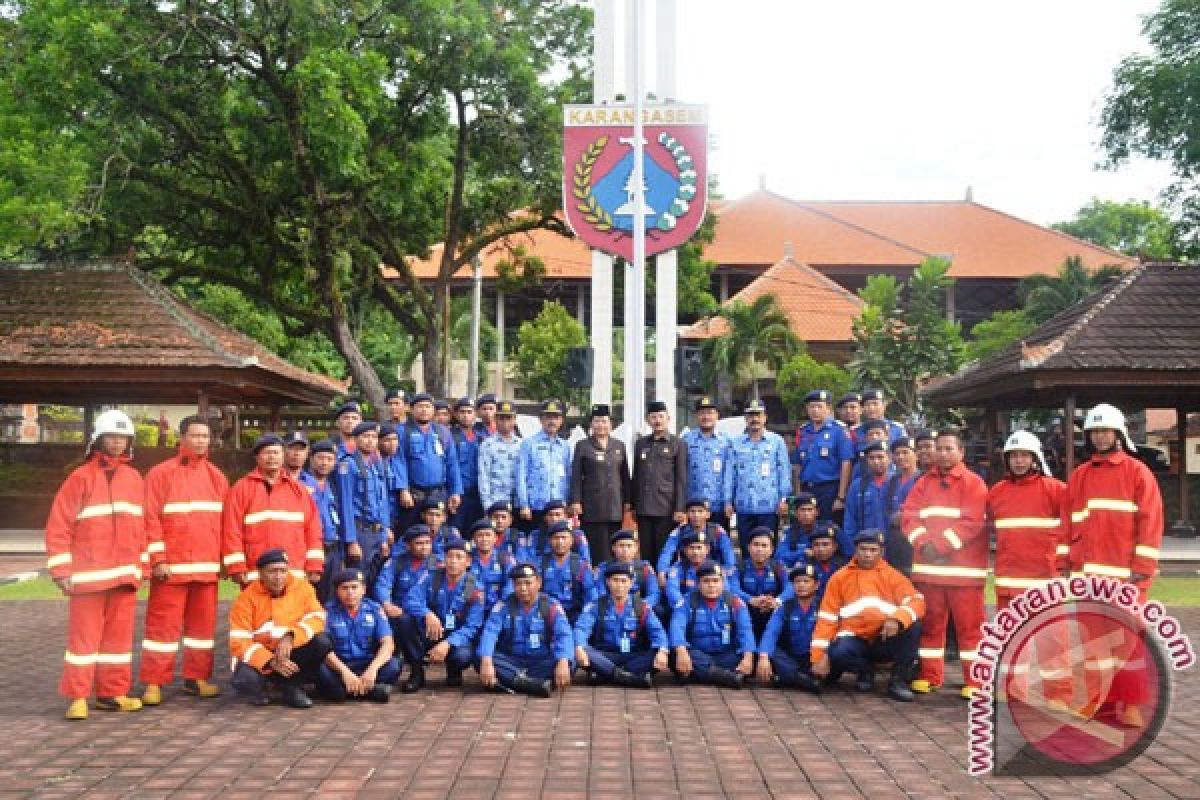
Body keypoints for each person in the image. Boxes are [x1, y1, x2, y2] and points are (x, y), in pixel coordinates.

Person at [1065, 404, 1165, 728]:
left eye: (1105, 430)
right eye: (1095, 431)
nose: (1100, 436)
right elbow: (1069, 523)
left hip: (1126, 576)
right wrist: (1065, 563)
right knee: (1091, 641)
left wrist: (1143, 566)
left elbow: (1151, 522)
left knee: (1129, 643)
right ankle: (1097, 702)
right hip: (1088, 576)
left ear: (1119, 433)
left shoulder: (1138, 472)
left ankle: (1131, 704)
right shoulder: (1079, 476)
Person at [46, 410, 146, 720]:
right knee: (83, 641)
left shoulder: (133, 478)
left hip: (124, 577)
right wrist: (61, 571)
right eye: (111, 437)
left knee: (117, 642)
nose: (117, 443)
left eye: (122, 438)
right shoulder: (80, 478)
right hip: (88, 578)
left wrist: (140, 566)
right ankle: (78, 696)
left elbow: (141, 527)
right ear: (99, 440)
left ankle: (112, 694)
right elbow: (58, 526)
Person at [139, 414, 229, 706]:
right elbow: (149, 519)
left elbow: (227, 523)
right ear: (182, 437)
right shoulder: (160, 474)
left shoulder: (217, 477)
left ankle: (197, 678)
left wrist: (225, 562)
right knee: (161, 630)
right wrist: (158, 559)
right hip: (171, 569)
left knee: (202, 631)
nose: (201, 441)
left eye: (205, 436)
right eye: (195, 435)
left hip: (206, 569)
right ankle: (154, 682)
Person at [901, 429, 988, 698]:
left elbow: (972, 521)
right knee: (931, 628)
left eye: (949, 448)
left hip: (964, 574)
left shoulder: (974, 483)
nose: (943, 453)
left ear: (961, 452)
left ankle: (975, 680)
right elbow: (909, 517)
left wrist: (937, 546)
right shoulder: (923, 483)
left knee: (970, 629)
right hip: (929, 573)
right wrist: (922, 542)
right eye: (940, 448)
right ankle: (930, 675)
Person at [809, 530, 924, 702]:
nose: (867, 554)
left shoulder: (894, 576)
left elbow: (917, 601)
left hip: (884, 638)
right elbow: (827, 618)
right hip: (854, 640)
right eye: (863, 549)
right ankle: (865, 671)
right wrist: (818, 657)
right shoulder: (839, 578)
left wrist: (898, 619)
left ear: (881, 552)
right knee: (838, 653)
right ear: (856, 550)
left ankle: (898, 682)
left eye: (873, 550)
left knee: (913, 627)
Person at [229, 549, 332, 708]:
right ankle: (264, 688)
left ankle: (292, 687)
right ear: (260, 573)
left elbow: (317, 618)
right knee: (245, 680)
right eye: (272, 572)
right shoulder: (245, 599)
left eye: (283, 571)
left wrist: (291, 636)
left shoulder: (303, 588)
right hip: (263, 659)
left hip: (291, 652)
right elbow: (239, 642)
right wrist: (269, 661)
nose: (278, 577)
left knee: (322, 641)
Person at [222, 434, 324, 588]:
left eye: (276, 453)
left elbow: (313, 529)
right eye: (267, 453)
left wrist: (314, 564)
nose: (272, 457)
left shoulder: (299, 490)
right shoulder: (241, 489)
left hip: (293, 571)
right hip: (255, 571)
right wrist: (236, 566)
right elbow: (231, 529)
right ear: (257, 457)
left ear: (283, 456)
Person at [989, 431, 1068, 607]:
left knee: (1051, 634)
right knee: (1010, 634)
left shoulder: (1056, 490)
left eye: (1024, 455)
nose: (1018, 461)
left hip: (1045, 583)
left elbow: (1072, 528)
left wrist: (1062, 561)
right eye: (1014, 456)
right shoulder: (997, 492)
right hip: (1008, 586)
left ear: (1035, 458)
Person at [399, 536, 485, 692]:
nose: (453, 561)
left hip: (455, 636)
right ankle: (417, 672)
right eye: (450, 556)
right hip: (431, 631)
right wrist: (427, 614)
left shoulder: (474, 588)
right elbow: (410, 599)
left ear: (468, 562)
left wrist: (448, 643)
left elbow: (472, 626)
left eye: (459, 557)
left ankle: (453, 669)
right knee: (405, 620)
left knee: (463, 656)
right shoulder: (431, 576)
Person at [477, 563, 575, 697]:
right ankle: (533, 685)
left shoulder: (551, 606)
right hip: (512, 660)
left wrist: (563, 661)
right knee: (480, 658)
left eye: (528, 583)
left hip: (540, 661)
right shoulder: (503, 606)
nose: (523, 588)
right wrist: (487, 661)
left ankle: (515, 682)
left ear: (538, 582)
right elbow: (490, 632)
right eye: (518, 584)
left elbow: (564, 635)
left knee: (570, 661)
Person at [574, 562, 670, 688]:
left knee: (658, 652)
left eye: (624, 581)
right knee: (583, 650)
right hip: (605, 655)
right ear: (608, 582)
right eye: (615, 580)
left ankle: (606, 674)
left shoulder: (642, 606)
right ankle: (628, 677)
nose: (619, 585)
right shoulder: (595, 606)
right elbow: (581, 628)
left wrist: (662, 651)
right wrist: (579, 647)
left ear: (631, 583)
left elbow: (657, 631)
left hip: (633, 656)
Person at [669, 561, 755, 688]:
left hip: (725, 655)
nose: (711, 585)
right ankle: (726, 676)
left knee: (754, 656)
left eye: (716, 581)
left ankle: (704, 674)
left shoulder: (735, 602)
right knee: (675, 655)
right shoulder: (687, 602)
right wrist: (682, 652)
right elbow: (676, 627)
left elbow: (745, 630)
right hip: (697, 653)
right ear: (698, 584)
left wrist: (748, 656)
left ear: (723, 582)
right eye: (706, 581)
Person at [318, 567, 399, 703]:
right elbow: (324, 649)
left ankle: (345, 692)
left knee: (393, 665)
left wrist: (372, 670)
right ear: (337, 591)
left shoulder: (375, 609)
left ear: (363, 590)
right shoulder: (327, 612)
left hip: (367, 663)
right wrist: (345, 673)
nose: (350, 592)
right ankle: (371, 691)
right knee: (321, 670)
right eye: (344, 588)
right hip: (340, 666)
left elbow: (388, 643)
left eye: (354, 587)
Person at [723, 399, 790, 557]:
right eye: (751, 415)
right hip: (744, 505)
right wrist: (728, 500)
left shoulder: (776, 441)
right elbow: (730, 474)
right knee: (747, 550)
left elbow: (784, 472)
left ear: (765, 417)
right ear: (745, 419)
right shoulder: (735, 443)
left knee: (768, 548)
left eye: (758, 415)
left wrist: (784, 499)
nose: (754, 419)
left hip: (769, 506)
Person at [396, 393, 463, 539]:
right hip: (414, 495)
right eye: (420, 406)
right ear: (412, 409)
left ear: (433, 410)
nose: (424, 410)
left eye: (428, 406)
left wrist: (455, 491)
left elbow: (452, 463)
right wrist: (403, 489)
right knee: (412, 535)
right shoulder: (402, 431)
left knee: (438, 535)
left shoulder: (443, 432)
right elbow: (399, 461)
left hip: (438, 493)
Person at [570, 404, 632, 560]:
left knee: (614, 543)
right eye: (597, 421)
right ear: (591, 424)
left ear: (611, 424)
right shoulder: (583, 445)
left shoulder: (619, 445)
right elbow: (576, 475)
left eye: (604, 421)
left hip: (614, 505)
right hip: (592, 505)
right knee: (594, 545)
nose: (601, 425)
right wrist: (576, 501)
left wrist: (628, 501)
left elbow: (625, 475)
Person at [336, 421, 393, 589]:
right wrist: (351, 541)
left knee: (373, 580)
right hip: (360, 531)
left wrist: (384, 533)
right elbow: (345, 504)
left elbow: (382, 501)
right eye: (365, 436)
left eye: (373, 437)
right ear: (355, 440)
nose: (370, 441)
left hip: (376, 532)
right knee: (357, 581)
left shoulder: (376, 465)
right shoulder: (348, 465)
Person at [632, 400, 689, 563]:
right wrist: (634, 505)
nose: (657, 420)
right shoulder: (641, 444)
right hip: (644, 508)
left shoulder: (678, 444)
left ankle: (665, 587)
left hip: (666, 508)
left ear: (668, 418)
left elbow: (681, 478)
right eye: (653, 417)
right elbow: (636, 476)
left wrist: (679, 508)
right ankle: (648, 587)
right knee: (646, 554)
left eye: (661, 416)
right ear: (647, 420)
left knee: (665, 554)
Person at [755, 564, 823, 692]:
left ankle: (788, 678)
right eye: (797, 581)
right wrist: (763, 657)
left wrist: (824, 658)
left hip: (815, 658)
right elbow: (771, 632)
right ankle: (802, 679)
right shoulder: (784, 607)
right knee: (770, 651)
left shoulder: (824, 606)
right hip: (791, 658)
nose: (801, 585)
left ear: (816, 585)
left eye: (806, 581)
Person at [792, 389, 854, 523]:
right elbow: (797, 465)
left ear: (828, 409)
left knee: (828, 530)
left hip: (830, 490)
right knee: (807, 528)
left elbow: (846, 463)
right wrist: (798, 493)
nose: (815, 410)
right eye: (812, 407)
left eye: (819, 406)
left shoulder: (839, 430)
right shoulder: (803, 431)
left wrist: (841, 496)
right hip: (807, 488)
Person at [375, 524, 441, 647]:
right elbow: (382, 584)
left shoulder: (436, 562)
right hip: (401, 611)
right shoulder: (398, 562)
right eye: (419, 543)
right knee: (402, 621)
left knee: (449, 622)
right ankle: (412, 660)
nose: (424, 547)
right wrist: (386, 604)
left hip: (427, 610)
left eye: (427, 542)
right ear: (408, 546)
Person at [516, 399, 572, 533]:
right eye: (548, 417)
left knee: (559, 544)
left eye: (556, 417)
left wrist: (568, 504)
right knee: (537, 544)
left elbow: (569, 476)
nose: (552, 421)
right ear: (541, 420)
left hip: (559, 507)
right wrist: (524, 504)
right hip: (536, 507)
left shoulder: (565, 446)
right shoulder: (529, 444)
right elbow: (521, 476)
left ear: (561, 421)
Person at [301, 439, 346, 603]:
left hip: (333, 548)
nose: (324, 463)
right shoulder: (300, 483)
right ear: (311, 459)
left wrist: (341, 556)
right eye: (320, 458)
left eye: (329, 459)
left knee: (331, 597)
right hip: (311, 548)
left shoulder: (332, 486)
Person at [656, 498, 738, 579]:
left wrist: (728, 569)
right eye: (692, 511)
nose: (696, 515)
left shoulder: (717, 530)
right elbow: (667, 552)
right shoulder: (680, 531)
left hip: (713, 571)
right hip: (687, 572)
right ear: (687, 514)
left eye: (700, 511)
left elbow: (728, 551)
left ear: (708, 514)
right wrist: (662, 570)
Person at [682, 395, 731, 530]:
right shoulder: (686, 440)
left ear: (717, 415)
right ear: (696, 416)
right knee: (693, 546)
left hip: (719, 505)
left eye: (710, 413)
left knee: (719, 544)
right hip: (694, 507)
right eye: (702, 413)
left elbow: (730, 474)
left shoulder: (727, 441)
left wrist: (728, 501)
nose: (706, 417)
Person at [731, 527, 788, 640]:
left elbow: (790, 588)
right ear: (748, 547)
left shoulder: (778, 567)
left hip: (773, 614)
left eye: (764, 545)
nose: (759, 549)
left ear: (771, 549)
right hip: (747, 615)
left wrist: (776, 601)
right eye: (756, 545)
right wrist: (751, 600)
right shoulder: (739, 568)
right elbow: (732, 588)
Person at [538, 520, 598, 624]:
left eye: (564, 538)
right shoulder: (540, 564)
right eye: (556, 538)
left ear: (571, 540)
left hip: (574, 616)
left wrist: (583, 621)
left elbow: (591, 597)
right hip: (546, 616)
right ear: (550, 540)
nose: (560, 542)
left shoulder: (582, 565)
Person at [594, 529, 661, 614]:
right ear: (613, 548)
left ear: (636, 548)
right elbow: (600, 592)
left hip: (638, 605)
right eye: (621, 546)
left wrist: (642, 605)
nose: (625, 550)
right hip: (611, 605)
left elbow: (654, 592)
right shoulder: (603, 568)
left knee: (659, 611)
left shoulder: (645, 567)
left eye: (629, 546)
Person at [882, 436, 922, 576]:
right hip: (894, 539)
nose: (901, 457)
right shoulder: (891, 481)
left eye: (905, 452)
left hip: (915, 540)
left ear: (916, 455)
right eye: (897, 453)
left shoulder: (923, 479)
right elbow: (885, 509)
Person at [843, 441, 893, 541]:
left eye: (880, 457)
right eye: (871, 458)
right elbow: (850, 519)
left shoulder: (897, 483)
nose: (876, 461)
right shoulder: (857, 486)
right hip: (867, 546)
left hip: (893, 544)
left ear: (889, 459)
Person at [478, 400, 522, 512]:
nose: (505, 422)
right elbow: (483, 476)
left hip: (518, 502)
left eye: (509, 418)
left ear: (514, 420)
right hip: (496, 502)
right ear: (495, 419)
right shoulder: (487, 444)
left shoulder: (522, 444)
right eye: (501, 418)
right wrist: (487, 505)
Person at [664, 528, 723, 611]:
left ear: (707, 549)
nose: (695, 552)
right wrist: (686, 609)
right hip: (684, 608)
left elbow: (724, 590)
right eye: (691, 548)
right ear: (685, 550)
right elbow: (672, 590)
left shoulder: (716, 568)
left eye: (699, 548)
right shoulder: (678, 568)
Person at [449, 397, 483, 532]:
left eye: (469, 412)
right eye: (462, 412)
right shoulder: (450, 436)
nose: (466, 415)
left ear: (475, 414)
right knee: (457, 530)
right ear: (456, 415)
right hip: (459, 493)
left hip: (477, 493)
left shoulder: (481, 437)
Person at [468, 518, 515, 606]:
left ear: (495, 538)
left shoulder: (505, 558)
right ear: (474, 539)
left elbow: (510, 584)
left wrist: (501, 603)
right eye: (480, 535)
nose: (484, 539)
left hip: (499, 607)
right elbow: (465, 589)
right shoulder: (467, 558)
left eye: (488, 535)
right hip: (473, 607)